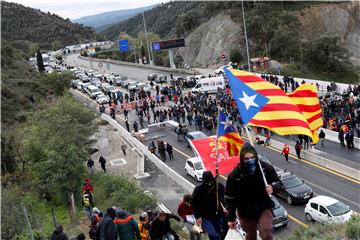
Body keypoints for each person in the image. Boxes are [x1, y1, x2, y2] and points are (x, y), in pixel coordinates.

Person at [225, 143, 280, 240]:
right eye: (246, 159)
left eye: (252, 157)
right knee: (250, 234)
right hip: (245, 210)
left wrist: (273, 187)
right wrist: (231, 218)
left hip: (264, 206)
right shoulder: (235, 174)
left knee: (266, 228)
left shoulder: (265, 169)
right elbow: (230, 197)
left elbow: (278, 183)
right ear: (242, 159)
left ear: (256, 156)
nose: (250, 160)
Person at [191, 171, 228, 240]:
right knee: (213, 235)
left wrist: (225, 207)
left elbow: (223, 199)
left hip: (217, 214)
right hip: (205, 216)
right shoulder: (198, 190)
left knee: (219, 232)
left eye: (211, 182)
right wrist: (197, 216)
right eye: (207, 182)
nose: (210, 184)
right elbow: (193, 203)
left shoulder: (219, 186)